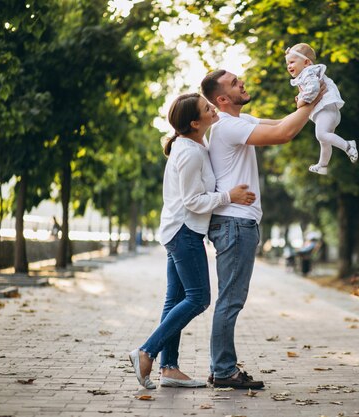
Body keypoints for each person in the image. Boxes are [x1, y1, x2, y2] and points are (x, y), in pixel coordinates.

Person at [200, 69, 325, 389]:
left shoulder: (237, 121)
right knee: (230, 300)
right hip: (234, 223)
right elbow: (283, 134)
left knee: (230, 299)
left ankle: (221, 367)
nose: (243, 82)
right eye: (234, 83)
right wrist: (311, 103)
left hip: (237, 223)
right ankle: (224, 370)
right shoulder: (227, 126)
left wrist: (307, 104)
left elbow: (280, 123)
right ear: (222, 99)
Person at [128, 93, 257, 389]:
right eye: (206, 108)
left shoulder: (198, 144)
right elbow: (192, 201)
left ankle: (169, 369)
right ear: (195, 122)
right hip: (183, 232)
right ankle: (147, 352)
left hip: (181, 231)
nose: (213, 107)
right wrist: (229, 196)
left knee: (175, 300)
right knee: (199, 299)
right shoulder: (189, 152)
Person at [285, 43, 358, 175]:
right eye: (287, 64)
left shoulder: (308, 72)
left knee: (321, 135)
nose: (289, 66)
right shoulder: (308, 75)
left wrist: (302, 100)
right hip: (329, 111)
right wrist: (301, 96)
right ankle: (323, 165)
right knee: (324, 140)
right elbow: (310, 89)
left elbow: (314, 89)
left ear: (306, 62)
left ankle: (348, 145)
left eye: (292, 62)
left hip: (326, 110)